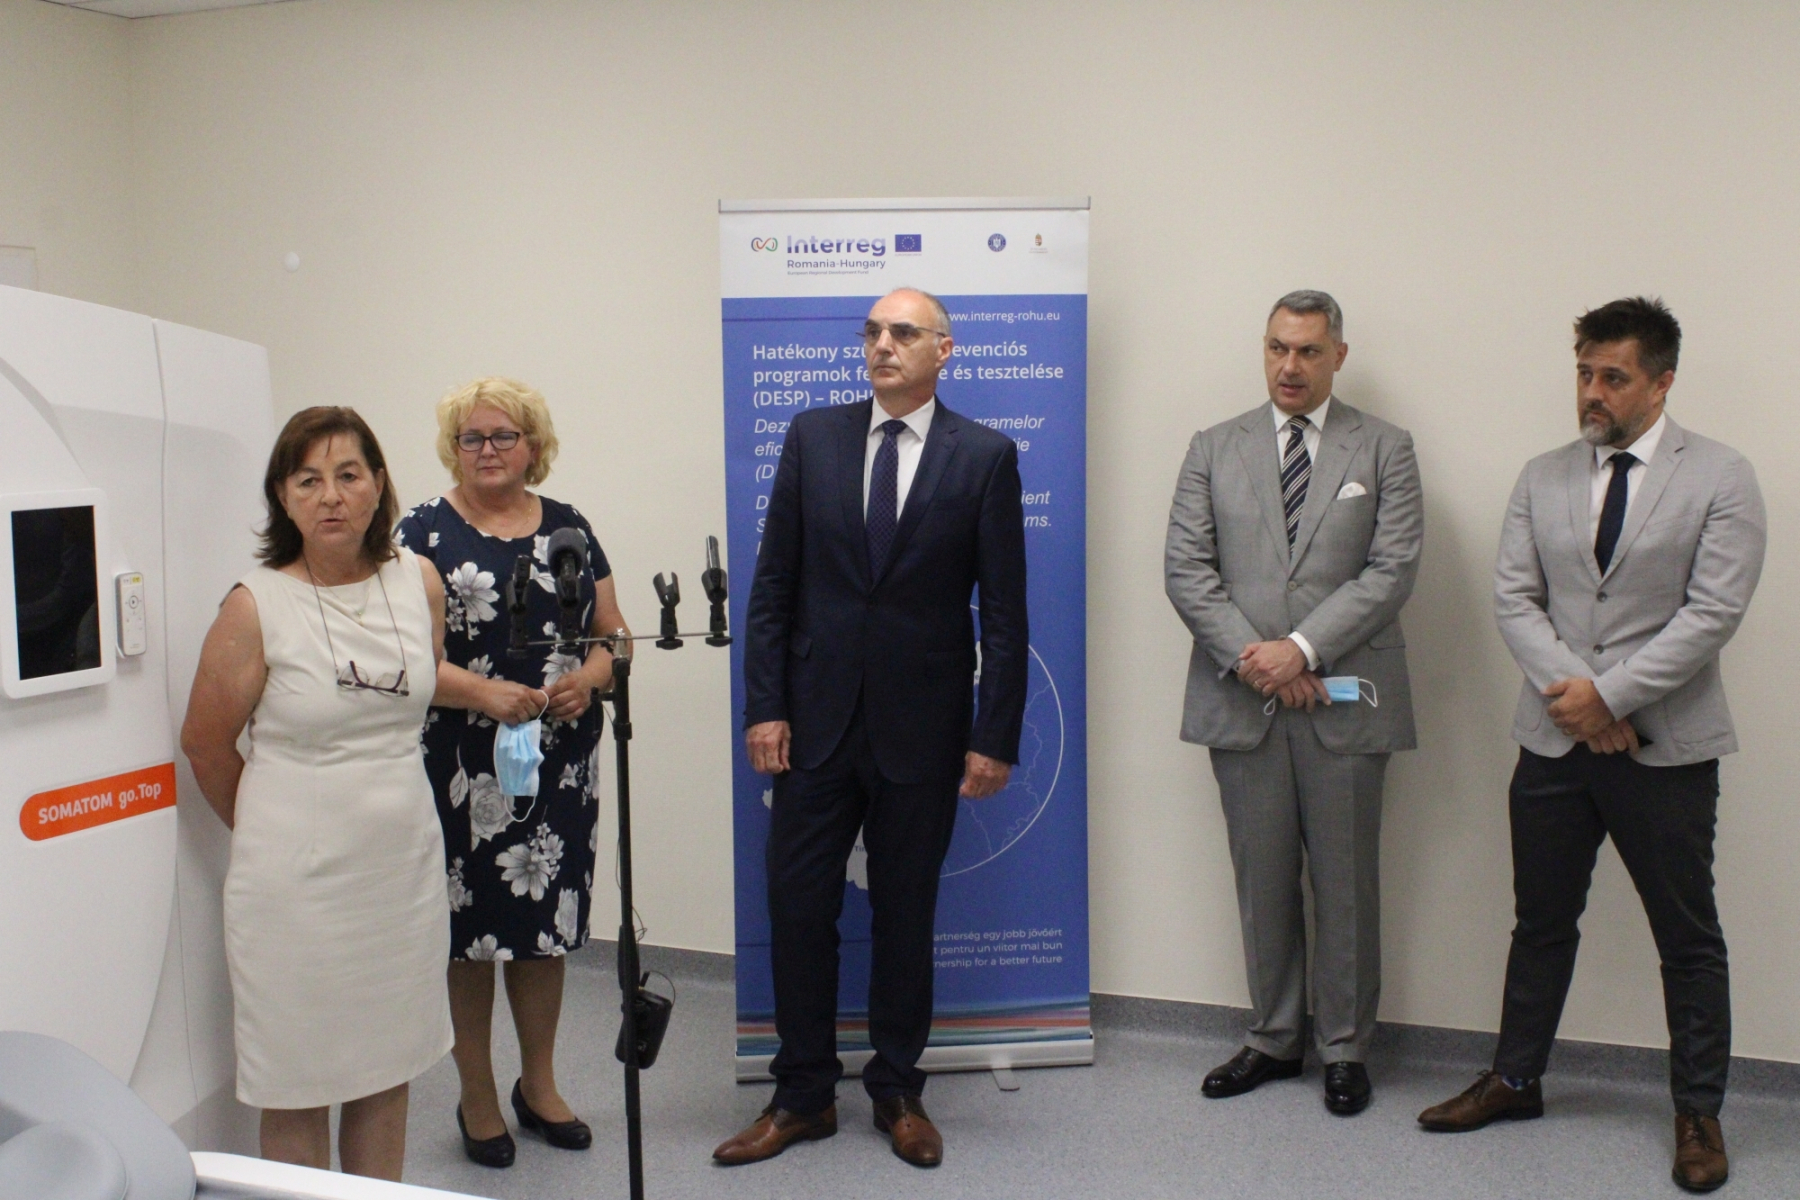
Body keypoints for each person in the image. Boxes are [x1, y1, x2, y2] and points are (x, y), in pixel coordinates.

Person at [1417, 298, 1765, 1194]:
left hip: (1666, 750)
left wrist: (1610, 696)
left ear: (1662, 382)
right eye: (1584, 373)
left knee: (1687, 937)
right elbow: (1514, 598)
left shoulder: (1722, 476)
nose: (1592, 392)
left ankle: (1698, 1112)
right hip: (1553, 743)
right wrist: (1580, 702)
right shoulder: (1542, 476)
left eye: (1614, 376)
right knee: (1540, 922)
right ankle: (1515, 1079)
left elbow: (1712, 613)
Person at [714, 288, 1029, 1168]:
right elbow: (773, 587)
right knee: (797, 907)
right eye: (874, 332)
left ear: (943, 349)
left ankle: (896, 1089)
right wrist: (765, 706)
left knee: (905, 912)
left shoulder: (985, 456)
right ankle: (802, 1094)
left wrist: (994, 735)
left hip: (923, 729)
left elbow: (1005, 615)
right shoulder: (813, 437)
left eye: (903, 332)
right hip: (813, 725)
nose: (883, 344)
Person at [1163, 290, 1422, 1116]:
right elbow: (1186, 570)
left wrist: (1302, 650)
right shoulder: (1214, 447)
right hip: (1244, 703)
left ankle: (1344, 1047)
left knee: (1346, 883)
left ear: (1338, 356)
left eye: (1309, 351)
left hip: (1345, 703)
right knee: (1263, 879)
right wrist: (1263, 663)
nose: (1290, 366)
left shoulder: (1385, 448)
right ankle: (1275, 1037)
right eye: (1278, 347)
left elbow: (1391, 569)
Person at [181, 407, 452, 1181]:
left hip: (400, 874)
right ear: (283, 496)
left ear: (378, 484)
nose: (330, 496)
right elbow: (204, 744)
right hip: (294, 890)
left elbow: (416, 689)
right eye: (308, 480)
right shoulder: (255, 604)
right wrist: (275, 833)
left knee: (386, 1070)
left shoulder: (418, 582)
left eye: (347, 475)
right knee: (296, 1083)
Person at [394, 377, 626, 1169]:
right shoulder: (420, 533)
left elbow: (614, 635)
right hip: (460, 763)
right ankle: (478, 1095)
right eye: (472, 437)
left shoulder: (570, 528)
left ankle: (540, 1084)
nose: (488, 450)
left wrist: (589, 679)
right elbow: (402, 657)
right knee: (466, 935)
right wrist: (483, 693)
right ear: (453, 448)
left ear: (534, 445)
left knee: (541, 929)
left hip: (557, 762)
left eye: (504, 436)